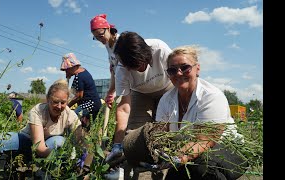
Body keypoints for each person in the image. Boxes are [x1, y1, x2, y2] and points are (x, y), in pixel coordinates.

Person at [152, 45, 248, 179]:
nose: (179, 73)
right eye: (172, 70)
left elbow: (205, 141)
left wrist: (175, 159)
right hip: (188, 152)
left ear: (197, 69)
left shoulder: (211, 96)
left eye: (185, 67)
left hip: (227, 150)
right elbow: (160, 134)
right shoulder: (166, 100)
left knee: (204, 170)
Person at [105, 31, 174, 164]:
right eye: (131, 68)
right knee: (136, 135)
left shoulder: (160, 50)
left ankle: (166, 165)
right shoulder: (121, 69)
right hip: (140, 92)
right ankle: (142, 168)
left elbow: (178, 77)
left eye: (138, 66)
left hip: (167, 87)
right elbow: (124, 108)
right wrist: (117, 144)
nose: (136, 71)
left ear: (146, 54)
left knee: (165, 130)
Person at [0, 79, 83, 160]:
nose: (59, 106)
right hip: (28, 141)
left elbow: (79, 142)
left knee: (59, 141)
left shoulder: (70, 115)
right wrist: (62, 157)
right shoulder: (38, 110)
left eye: (63, 103)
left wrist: (80, 155)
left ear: (67, 101)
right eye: (55, 102)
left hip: (49, 145)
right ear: (48, 99)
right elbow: (39, 147)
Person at [60, 52, 102, 129]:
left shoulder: (80, 76)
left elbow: (78, 96)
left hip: (91, 104)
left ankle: (72, 136)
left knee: (72, 117)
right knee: (85, 126)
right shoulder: (82, 72)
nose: (66, 72)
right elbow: (74, 92)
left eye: (67, 70)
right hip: (91, 103)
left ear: (72, 67)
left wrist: (67, 106)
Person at [90, 14, 119, 108]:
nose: (99, 40)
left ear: (108, 29)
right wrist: (110, 92)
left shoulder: (120, 42)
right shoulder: (108, 45)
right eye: (96, 38)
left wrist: (116, 93)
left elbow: (124, 73)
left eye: (101, 35)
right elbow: (114, 72)